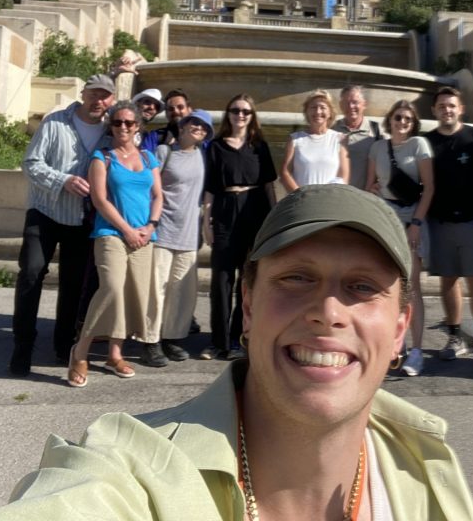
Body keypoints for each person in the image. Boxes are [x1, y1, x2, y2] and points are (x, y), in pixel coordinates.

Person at [0, 184, 473, 520]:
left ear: (403, 325)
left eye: (361, 288)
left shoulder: (428, 470)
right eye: (296, 278)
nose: (328, 310)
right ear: (246, 305)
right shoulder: (127, 471)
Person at [9, 74, 115, 377]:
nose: (100, 101)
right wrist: (63, 180)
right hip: (45, 211)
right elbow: (30, 163)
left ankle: (63, 346)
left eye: (106, 95)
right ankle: (22, 346)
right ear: (83, 94)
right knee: (30, 274)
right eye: (94, 94)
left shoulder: (112, 131)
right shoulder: (55, 122)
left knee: (73, 286)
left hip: (82, 220)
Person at [66, 101, 162, 387]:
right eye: (118, 122)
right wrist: (126, 229)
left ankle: (114, 354)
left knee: (132, 292)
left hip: (145, 236)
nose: (123, 127)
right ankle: (80, 351)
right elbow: (99, 199)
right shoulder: (102, 157)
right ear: (111, 126)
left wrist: (150, 226)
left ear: (137, 127)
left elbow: (158, 195)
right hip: (110, 232)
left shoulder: (148, 158)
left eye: (129, 123)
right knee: (111, 287)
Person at [425, 86, 473, 377]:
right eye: (442, 106)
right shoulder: (427, 141)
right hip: (440, 222)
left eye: (451, 105)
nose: (447, 110)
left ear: (461, 109)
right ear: (434, 111)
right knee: (447, 281)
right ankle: (455, 335)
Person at [202, 94, 278, 361]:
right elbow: (210, 189)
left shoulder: (260, 147)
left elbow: (269, 186)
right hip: (225, 210)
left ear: (252, 115)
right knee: (221, 279)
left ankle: (237, 339)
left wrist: (273, 219)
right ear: (228, 114)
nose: (240, 115)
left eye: (246, 111)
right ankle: (218, 341)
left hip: (255, 209)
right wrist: (206, 223)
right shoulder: (215, 147)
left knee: (246, 280)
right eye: (235, 110)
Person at [139, 110, 213, 367]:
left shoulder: (205, 156)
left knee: (181, 292)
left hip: (189, 233)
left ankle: (173, 337)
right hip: (162, 230)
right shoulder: (163, 152)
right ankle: (150, 340)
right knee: (155, 289)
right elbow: (148, 189)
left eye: (205, 127)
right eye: (195, 123)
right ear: (182, 126)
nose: (199, 129)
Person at [366, 99, 433, 376]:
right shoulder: (378, 147)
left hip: (411, 215)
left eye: (407, 118)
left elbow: (429, 188)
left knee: (412, 282)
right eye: (398, 118)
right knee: (388, 281)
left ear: (413, 122)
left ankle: (417, 350)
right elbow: (369, 185)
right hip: (386, 213)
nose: (402, 122)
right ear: (390, 120)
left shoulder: (419, 145)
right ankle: (395, 345)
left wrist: (416, 223)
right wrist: (374, 194)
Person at [281, 89, 349, 190]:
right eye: (313, 107)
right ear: (306, 112)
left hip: (330, 200)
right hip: (301, 201)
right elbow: (285, 172)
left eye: (323, 107)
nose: (318, 112)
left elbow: (343, 176)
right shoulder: (295, 139)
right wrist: (300, 194)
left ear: (330, 112)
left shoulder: (339, 139)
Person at [332, 83, 381, 188]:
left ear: (365, 104)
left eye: (355, 102)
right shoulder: (332, 129)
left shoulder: (377, 131)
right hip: (336, 194)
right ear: (341, 105)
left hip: (365, 196)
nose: (351, 106)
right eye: (346, 102)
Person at [132, 88, 165, 153]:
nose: (152, 107)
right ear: (137, 104)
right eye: (147, 102)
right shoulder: (121, 127)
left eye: (156, 106)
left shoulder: (149, 137)